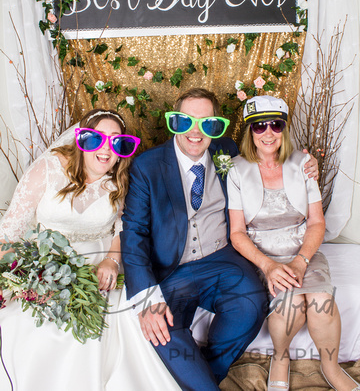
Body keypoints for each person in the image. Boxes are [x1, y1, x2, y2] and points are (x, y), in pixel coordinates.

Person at [120, 88, 319, 391]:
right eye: (186, 122)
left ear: (215, 125)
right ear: (175, 123)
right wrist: (146, 299)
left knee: (251, 304)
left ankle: (203, 376)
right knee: (163, 330)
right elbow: (133, 233)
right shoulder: (147, 166)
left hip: (220, 258)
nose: (196, 132)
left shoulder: (225, 150)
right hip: (172, 269)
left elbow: (268, 158)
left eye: (206, 123)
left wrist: (305, 165)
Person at [0, 109, 180, 391]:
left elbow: (124, 229)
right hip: (43, 263)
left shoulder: (120, 180)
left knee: (105, 325)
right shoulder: (48, 169)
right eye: (97, 139)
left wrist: (112, 260)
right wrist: (21, 277)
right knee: (36, 325)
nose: (106, 149)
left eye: (116, 142)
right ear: (82, 140)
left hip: (97, 266)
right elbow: (8, 232)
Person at [227, 95, 360, 391]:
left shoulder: (303, 164)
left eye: (276, 124)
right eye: (260, 126)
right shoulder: (235, 170)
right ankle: (281, 357)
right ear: (250, 131)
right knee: (291, 303)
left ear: (284, 129)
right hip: (262, 254)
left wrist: (300, 261)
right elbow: (237, 233)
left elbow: (316, 222)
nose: (269, 133)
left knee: (321, 300)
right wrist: (269, 265)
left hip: (303, 250)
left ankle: (330, 366)